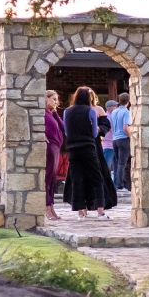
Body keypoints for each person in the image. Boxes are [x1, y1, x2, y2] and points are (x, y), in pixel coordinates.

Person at [62, 86, 111, 216]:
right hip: (88, 147)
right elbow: (94, 133)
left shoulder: (67, 111)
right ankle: (100, 209)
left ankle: (80, 211)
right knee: (97, 178)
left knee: (77, 179)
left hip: (73, 148)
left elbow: (66, 131)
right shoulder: (90, 111)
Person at [43, 88, 66, 216]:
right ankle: (46, 207)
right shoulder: (42, 113)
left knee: (53, 178)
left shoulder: (51, 114)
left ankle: (51, 205)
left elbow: (64, 127)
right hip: (50, 147)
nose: (56, 102)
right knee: (48, 177)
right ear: (46, 98)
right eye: (54, 99)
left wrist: (56, 113)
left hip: (56, 147)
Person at [108, 94, 131, 190]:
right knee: (123, 163)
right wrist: (132, 137)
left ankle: (118, 183)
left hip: (115, 139)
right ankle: (121, 185)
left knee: (118, 163)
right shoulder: (126, 112)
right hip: (123, 138)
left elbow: (111, 126)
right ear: (128, 102)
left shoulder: (114, 112)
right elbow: (125, 127)